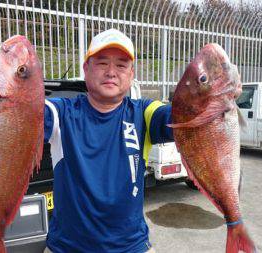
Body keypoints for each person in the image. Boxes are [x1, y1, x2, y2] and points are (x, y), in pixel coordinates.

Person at [43, 28, 173, 253]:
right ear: (86, 69)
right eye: (102, 63)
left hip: (132, 248)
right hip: (66, 248)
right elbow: (21, 112)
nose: (111, 72)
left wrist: (214, 93)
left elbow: (182, 117)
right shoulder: (61, 112)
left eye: (121, 65)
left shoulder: (143, 112)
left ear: (131, 74)